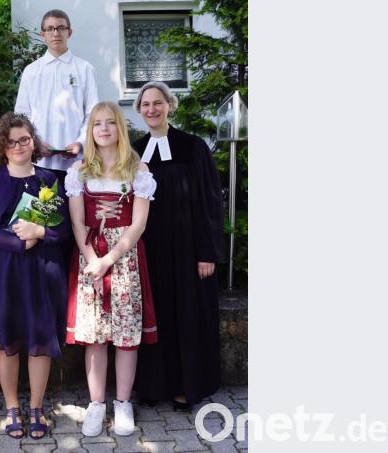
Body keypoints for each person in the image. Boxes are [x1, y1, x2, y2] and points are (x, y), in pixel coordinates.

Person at [63, 102, 158, 436]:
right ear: (90, 131)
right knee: (95, 336)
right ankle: (96, 403)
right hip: (90, 257)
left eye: (110, 123)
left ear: (120, 128)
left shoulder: (138, 170)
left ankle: (122, 402)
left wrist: (109, 259)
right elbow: (77, 221)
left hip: (124, 258)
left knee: (126, 335)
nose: (103, 129)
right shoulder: (79, 171)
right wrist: (92, 258)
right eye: (97, 124)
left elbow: (138, 225)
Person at [0, 112, 71, 440]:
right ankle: (13, 407)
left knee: (39, 339)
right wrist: (20, 241)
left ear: (34, 143)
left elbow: (62, 230)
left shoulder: (50, 179)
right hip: (3, 270)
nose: (18, 146)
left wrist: (39, 231)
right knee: (7, 339)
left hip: (42, 269)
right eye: (12, 141)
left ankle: (37, 407)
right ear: (2, 145)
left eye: (24, 140)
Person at [130, 81, 224, 411]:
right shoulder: (134, 151)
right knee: (154, 315)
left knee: (186, 314)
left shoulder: (193, 147)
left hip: (187, 249)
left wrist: (207, 252)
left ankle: (186, 385)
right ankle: (153, 386)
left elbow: (210, 202)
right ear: (139, 110)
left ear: (170, 105)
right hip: (149, 248)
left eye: (158, 103)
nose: (152, 109)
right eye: (145, 104)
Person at [14, 8, 99, 186]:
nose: (56, 33)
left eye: (61, 28)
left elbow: (92, 113)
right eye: (50, 28)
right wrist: (35, 141)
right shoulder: (31, 71)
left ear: (70, 32)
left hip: (75, 162)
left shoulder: (84, 69)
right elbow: (22, 114)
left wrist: (80, 143)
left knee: (75, 213)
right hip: (38, 161)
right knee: (41, 213)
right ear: (42, 34)